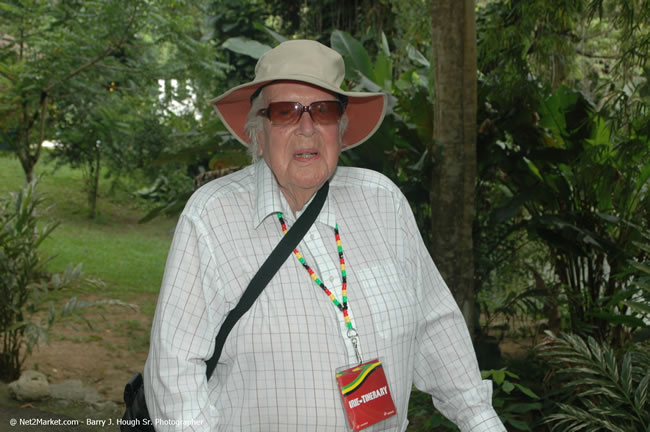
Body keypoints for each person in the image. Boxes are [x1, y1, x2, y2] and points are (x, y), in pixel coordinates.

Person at [144, 39, 506, 432]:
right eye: (285, 112)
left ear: (341, 128)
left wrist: (481, 421)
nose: (306, 127)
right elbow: (175, 369)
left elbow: (435, 325)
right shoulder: (212, 216)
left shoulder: (383, 202)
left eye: (323, 110)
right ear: (258, 134)